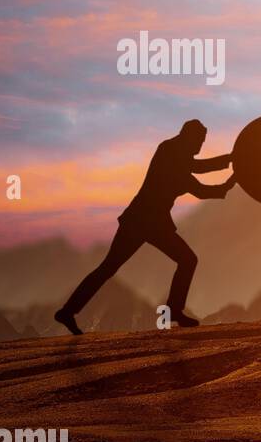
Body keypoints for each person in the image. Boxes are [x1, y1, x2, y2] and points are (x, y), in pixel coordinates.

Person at [55, 119, 235, 335]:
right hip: (145, 222)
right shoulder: (169, 151)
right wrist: (233, 161)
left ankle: (68, 311)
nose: (200, 147)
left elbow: (202, 184)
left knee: (113, 268)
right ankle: (173, 309)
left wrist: (232, 173)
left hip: (146, 222)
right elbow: (200, 175)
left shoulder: (177, 159)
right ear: (188, 136)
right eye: (199, 141)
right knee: (182, 260)